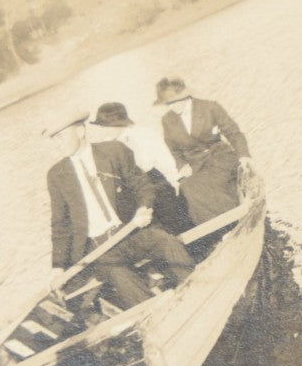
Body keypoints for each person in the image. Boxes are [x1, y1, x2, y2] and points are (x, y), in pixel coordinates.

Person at [45, 115, 195, 310]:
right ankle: (155, 312)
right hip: (101, 248)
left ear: (80, 131)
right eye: (53, 139)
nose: (56, 144)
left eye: (60, 136)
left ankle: (196, 288)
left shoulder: (114, 151)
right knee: (119, 275)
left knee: (167, 242)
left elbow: (143, 185)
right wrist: (57, 267)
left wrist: (144, 207)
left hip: (133, 231)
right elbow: (61, 225)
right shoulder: (56, 175)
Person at [154, 76, 251, 225]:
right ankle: (217, 227)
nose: (172, 107)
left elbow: (233, 133)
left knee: (207, 183)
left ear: (185, 96)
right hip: (195, 165)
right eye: (168, 104)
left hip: (220, 157)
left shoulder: (210, 107)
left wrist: (244, 155)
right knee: (186, 187)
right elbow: (173, 150)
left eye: (174, 102)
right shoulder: (167, 120)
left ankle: (234, 219)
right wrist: (182, 165)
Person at [87, 101, 192, 235]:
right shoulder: (105, 145)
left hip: (153, 179)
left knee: (166, 207)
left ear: (119, 123)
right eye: (102, 127)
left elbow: (163, 159)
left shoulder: (142, 135)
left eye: (107, 126)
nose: (104, 131)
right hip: (128, 188)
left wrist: (174, 179)